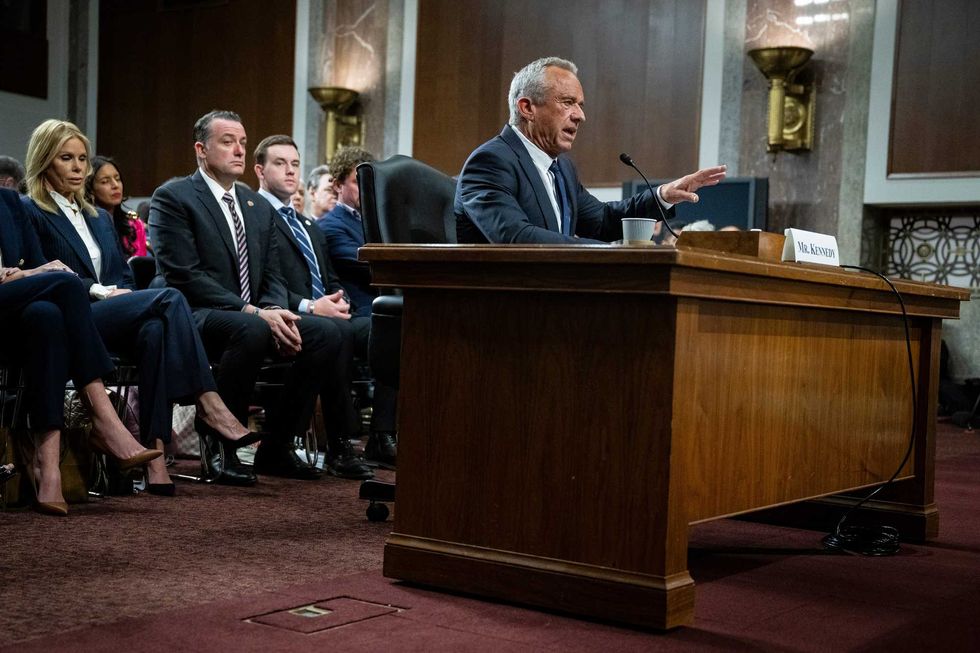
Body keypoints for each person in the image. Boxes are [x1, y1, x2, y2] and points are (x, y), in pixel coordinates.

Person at [21, 119, 258, 492]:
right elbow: (41, 278)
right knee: (170, 297)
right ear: (45, 160)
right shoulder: (30, 210)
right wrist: (101, 292)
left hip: (112, 315)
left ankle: (156, 456)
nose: (78, 166)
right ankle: (208, 405)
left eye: (82, 158)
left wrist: (122, 294)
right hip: (72, 315)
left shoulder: (97, 217)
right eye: (66, 158)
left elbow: (126, 276)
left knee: (155, 330)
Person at [149, 109, 346, 483]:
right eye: (227, 142)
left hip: (251, 312)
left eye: (242, 142)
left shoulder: (254, 205)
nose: (239, 150)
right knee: (250, 330)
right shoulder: (173, 197)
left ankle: (277, 446)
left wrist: (273, 309)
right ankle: (221, 445)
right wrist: (255, 312)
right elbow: (183, 275)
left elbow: (272, 272)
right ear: (201, 150)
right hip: (193, 313)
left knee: (328, 334)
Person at [1, 187, 162, 515]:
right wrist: (30, 274)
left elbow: (34, 261)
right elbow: (35, 271)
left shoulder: (8, 201)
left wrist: (30, 272)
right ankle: (104, 419)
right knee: (68, 283)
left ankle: (48, 468)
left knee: (45, 316)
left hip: (13, 312)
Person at [455, 57, 727, 244]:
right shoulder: (491, 162)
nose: (580, 116)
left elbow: (603, 221)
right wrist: (596, 251)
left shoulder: (562, 168)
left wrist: (663, 196)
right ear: (527, 108)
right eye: (568, 102)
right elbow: (514, 237)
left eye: (581, 105)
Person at [254, 135, 397, 471]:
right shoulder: (257, 217)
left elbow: (332, 279)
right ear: (259, 171)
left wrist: (338, 301)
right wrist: (309, 306)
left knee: (358, 327)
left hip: (323, 313)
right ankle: (340, 443)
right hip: (280, 310)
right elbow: (263, 282)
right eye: (280, 163)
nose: (291, 172)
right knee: (337, 332)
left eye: (294, 164)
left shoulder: (307, 226)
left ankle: (351, 442)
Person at [316, 147, 376, 319]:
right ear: (337, 185)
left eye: (369, 181)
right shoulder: (329, 226)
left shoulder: (376, 221)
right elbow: (371, 265)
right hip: (362, 312)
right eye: (357, 182)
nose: (366, 188)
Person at [85, 155, 149, 257]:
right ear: (90, 189)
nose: (115, 185)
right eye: (105, 181)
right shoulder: (82, 225)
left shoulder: (134, 225)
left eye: (118, 179)